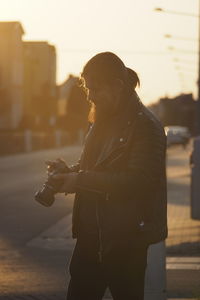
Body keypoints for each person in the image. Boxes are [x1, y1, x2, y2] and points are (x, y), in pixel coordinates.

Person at [52, 52, 168, 300]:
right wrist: (68, 172)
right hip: (90, 237)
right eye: (87, 89)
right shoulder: (102, 119)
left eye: (96, 89)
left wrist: (79, 180)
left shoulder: (146, 126)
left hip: (126, 241)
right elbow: (93, 166)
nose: (90, 96)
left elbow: (137, 182)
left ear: (117, 86)